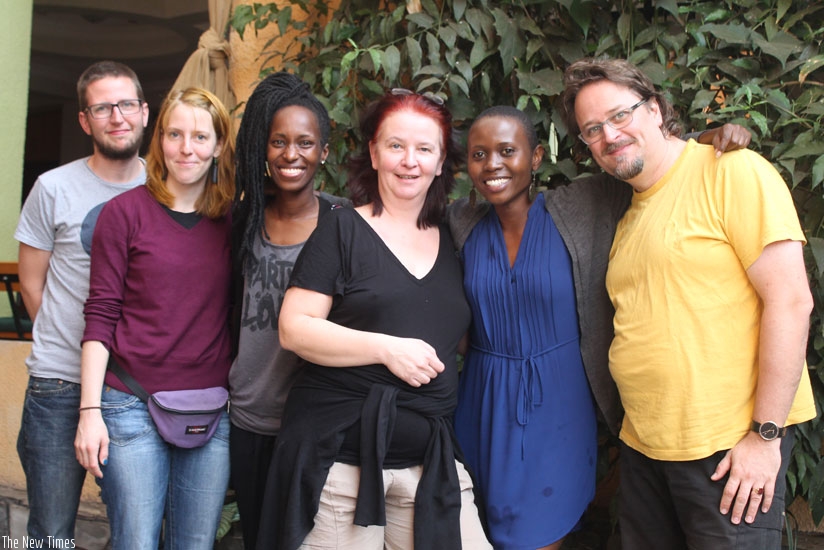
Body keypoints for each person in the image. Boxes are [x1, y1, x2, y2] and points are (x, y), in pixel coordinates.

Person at [447, 106, 751, 549]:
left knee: (538, 534)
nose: (492, 164)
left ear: (535, 159)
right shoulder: (460, 222)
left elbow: (646, 161)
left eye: (507, 151)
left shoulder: (581, 205)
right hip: (483, 399)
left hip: (559, 403)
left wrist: (711, 135)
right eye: (479, 154)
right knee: (480, 530)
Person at [560, 57, 816, 549]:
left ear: (655, 109)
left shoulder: (730, 171)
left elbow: (790, 301)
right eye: (592, 129)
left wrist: (764, 439)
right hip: (644, 449)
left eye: (620, 115)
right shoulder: (626, 210)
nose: (609, 135)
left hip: (726, 451)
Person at [258, 90, 491, 550]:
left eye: (425, 149)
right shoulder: (342, 228)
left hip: (429, 459)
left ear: (442, 163)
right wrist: (387, 348)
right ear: (374, 152)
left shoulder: (454, 237)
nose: (410, 161)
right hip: (341, 462)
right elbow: (295, 328)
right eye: (396, 145)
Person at [73, 87, 235, 550]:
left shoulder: (234, 220)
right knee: (137, 542)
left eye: (201, 137)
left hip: (211, 407)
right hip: (131, 404)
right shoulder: (123, 215)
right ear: (159, 139)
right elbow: (100, 314)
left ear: (220, 144)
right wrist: (90, 412)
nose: (187, 148)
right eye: (175, 134)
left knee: (195, 544)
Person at [14, 60, 148, 546]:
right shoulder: (53, 187)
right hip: (60, 382)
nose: (117, 117)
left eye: (126, 104)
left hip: (134, 386)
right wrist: (66, 345)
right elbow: (32, 284)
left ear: (144, 112)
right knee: (50, 531)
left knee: (135, 526)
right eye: (102, 107)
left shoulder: (164, 189)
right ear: (84, 120)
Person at [230, 71, 347, 550]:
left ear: (324, 150)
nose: (290, 155)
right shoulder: (243, 218)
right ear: (264, 148)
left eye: (304, 142)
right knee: (258, 537)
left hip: (315, 423)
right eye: (278, 141)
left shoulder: (345, 224)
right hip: (248, 416)